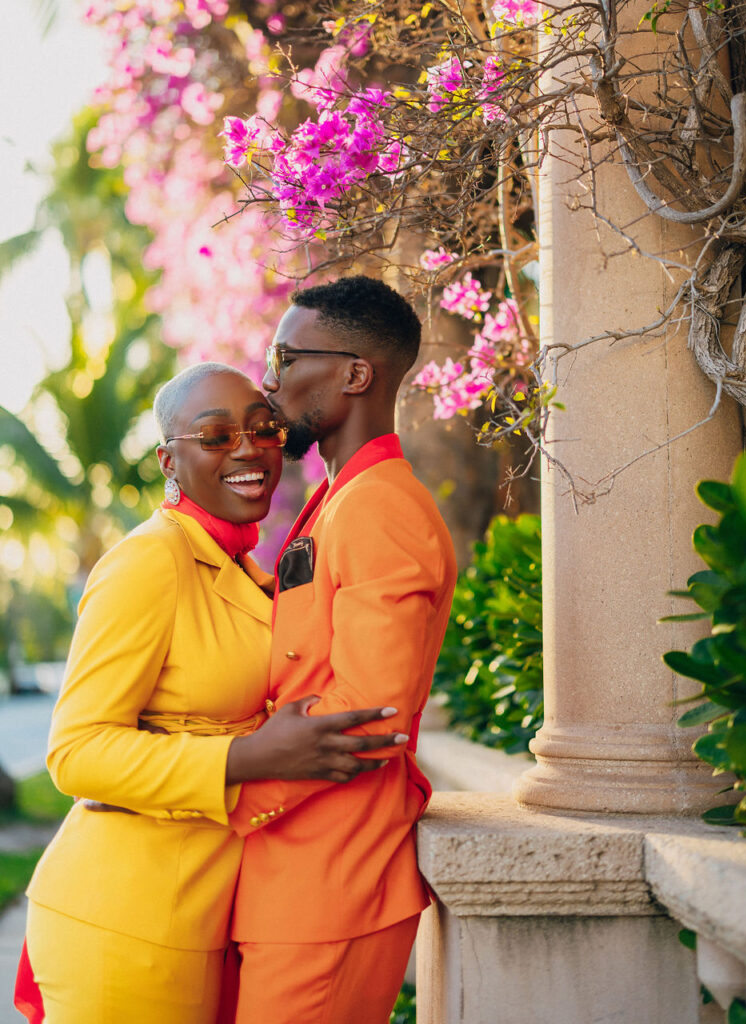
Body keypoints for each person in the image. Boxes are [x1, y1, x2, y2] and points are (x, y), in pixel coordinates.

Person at [17, 363, 405, 1024]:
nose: (248, 449)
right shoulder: (149, 562)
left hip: (199, 915)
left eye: (262, 430)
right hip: (125, 920)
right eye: (216, 436)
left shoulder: (247, 570)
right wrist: (251, 757)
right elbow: (76, 752)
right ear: (169, 459)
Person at [226, 276, 458, 1024]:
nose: (269, 380)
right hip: (295, 877)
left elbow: (367, 712)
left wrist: (219, 794)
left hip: (333, 886)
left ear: (355, 375)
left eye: (286, 357)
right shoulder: (339, 499)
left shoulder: (381, 505)